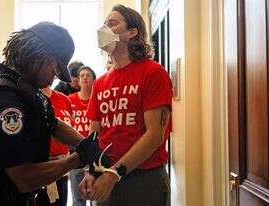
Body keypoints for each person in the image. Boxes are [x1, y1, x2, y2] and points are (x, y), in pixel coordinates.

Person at [0, 22, 103, 206]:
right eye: (55, 67)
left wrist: (86, 144)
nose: (56, 75)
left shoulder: (26, 91)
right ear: (37, 56)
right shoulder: (2, 101)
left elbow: (52, 123)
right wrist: (77, 158)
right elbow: (24, 179)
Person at [79, 5, 172, 206]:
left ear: (132, 32)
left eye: (112, 24)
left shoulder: (153, 72)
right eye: (104, 24)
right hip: (104, 176)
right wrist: (91, 170)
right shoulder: (101, 82)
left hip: (142, 179)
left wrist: (114, 173)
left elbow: (155, 134)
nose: (104, 29)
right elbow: (95, 135)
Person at [68, 66, 96, 206]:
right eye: (82, 75)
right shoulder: (70, 100)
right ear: (78, 81)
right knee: (78, 199)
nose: (84, 77)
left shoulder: (99, 99)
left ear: (94, 80)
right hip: (76, 153)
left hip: (95, 153)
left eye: (88, 75)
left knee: (96, 196)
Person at [41, 86, 74, 206]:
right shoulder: (32, 96)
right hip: (41, 168)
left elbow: (69, 128)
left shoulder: (64, 99)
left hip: (62, 167)